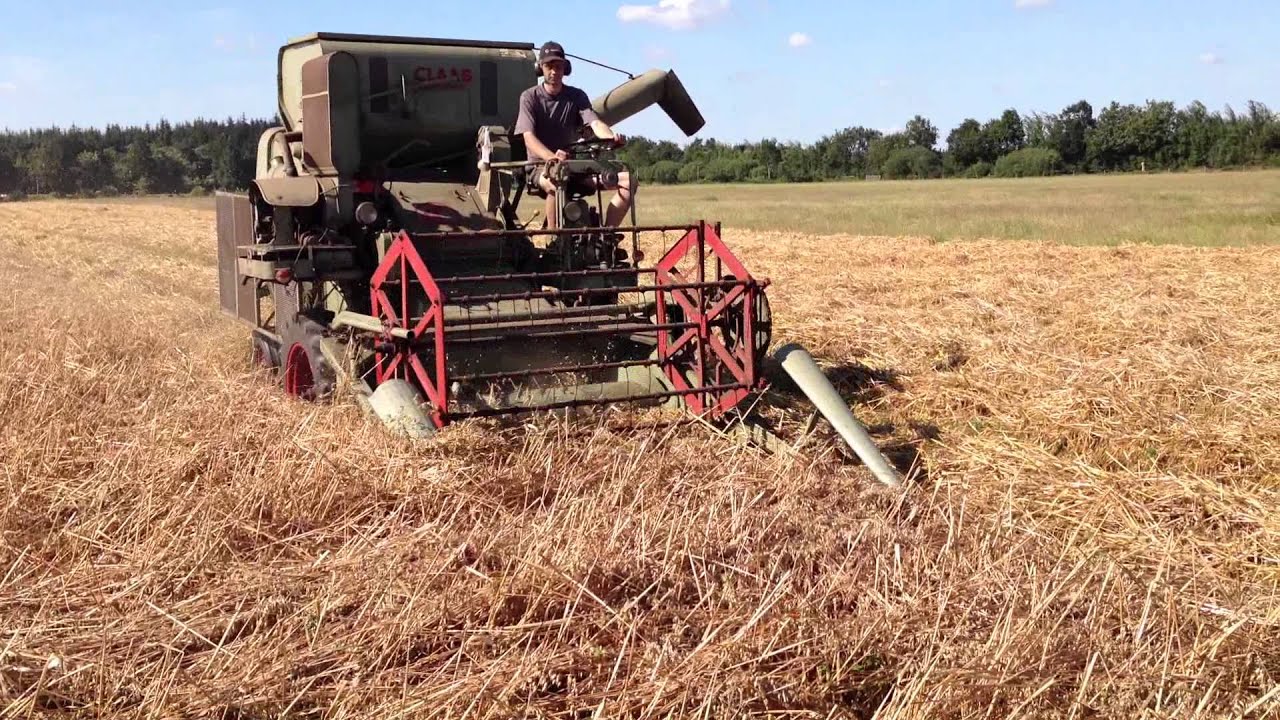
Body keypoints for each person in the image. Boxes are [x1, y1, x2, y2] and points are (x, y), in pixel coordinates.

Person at [514, 41, 633, 230]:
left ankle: (606, 235)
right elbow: (528, 137)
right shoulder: (529, 97)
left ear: (566, 68)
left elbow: (594, 123)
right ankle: (555, 242)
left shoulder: (576, 96)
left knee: (627, 181)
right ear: (540, 68)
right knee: (556, 180)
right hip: (539, 168)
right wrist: (551, 158)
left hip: (573, 167)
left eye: (558, 66)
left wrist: (610, 138)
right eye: (549, 66)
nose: (554, 71)